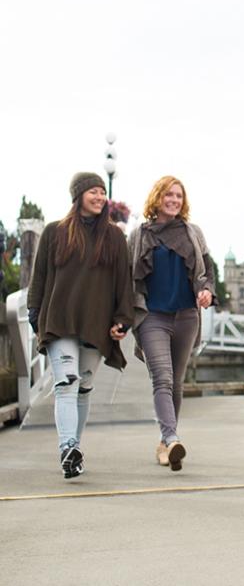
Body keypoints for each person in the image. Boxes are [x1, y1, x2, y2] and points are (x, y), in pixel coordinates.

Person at [27, 172, 134, 479]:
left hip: (96, 324)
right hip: (59, 321)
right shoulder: (54, 232)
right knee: (66, 383)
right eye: (93, 192)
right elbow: (40, 278)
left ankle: (74, 449)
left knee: (84, 388)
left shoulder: (115, 237)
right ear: (78, 196)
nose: (100, 197)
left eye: (103, 192)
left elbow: (122, 285)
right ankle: (67, 448)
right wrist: (36, 314)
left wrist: (122, 320)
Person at [129, 176, 216, 472]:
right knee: (162, 378)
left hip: (186, 316)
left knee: (176, 382)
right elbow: (127, 277)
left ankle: (166, 445)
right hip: (152, 316)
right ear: (157, 198)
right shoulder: (139, 236)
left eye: (179, 196)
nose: (174, 200)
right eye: (169, 195)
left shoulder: (193, 233)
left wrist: (207, 291)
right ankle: (172, 436)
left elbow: (207, 270)